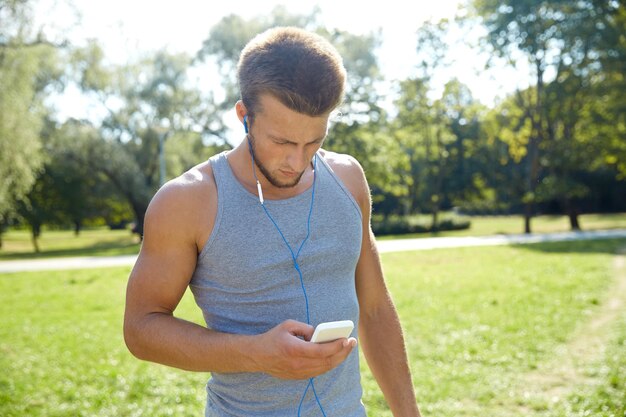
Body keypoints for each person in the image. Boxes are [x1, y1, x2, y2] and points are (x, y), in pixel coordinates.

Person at [123, 26, 422, 417]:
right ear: (244, 115)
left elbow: (376, 308)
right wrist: (255, 354)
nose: (297, 162)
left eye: (313, 141)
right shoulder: (187, 201)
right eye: (282, 142)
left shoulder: (348, 179)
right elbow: (141, 329)